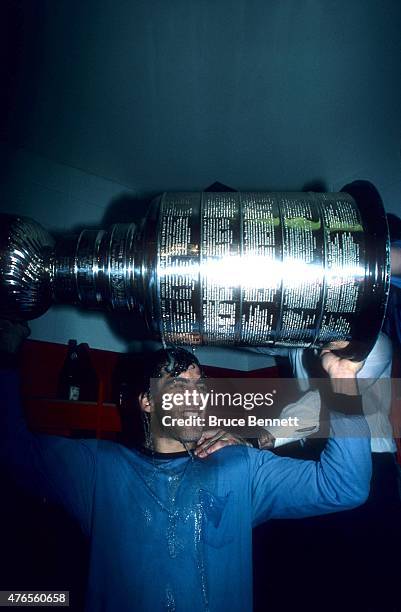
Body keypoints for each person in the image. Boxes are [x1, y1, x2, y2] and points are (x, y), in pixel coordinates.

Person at [0, 320, 371, 612]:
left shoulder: (240, 468)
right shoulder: (97, 469)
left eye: (200, 385)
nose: (196, 396)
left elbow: (345, 486)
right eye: (177, 383)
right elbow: (13, 449)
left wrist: (341, 379)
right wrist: (8, 356)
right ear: (147, 401)